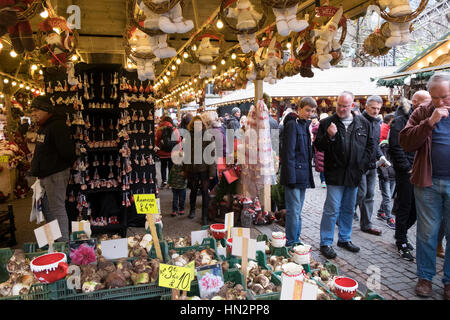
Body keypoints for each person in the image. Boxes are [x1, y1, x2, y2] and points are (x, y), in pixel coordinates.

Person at [399, 73, 450, 299]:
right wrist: (430, 123)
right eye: (435, 97)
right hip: (427, 182)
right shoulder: (422, 112)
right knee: (426, 233)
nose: (440, 102)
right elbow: (406, 141)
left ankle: (448, 281)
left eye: (445, 97)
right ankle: (425, 278)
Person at [314, 91, 373, 259]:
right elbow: (318, 146)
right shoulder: (327, 123)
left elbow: (370, 146)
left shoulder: (363, 123)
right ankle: (326, 242)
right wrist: (329, 136)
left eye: (345, 106)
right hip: (335, 174)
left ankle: (344, 239)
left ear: (352, 105)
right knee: (331, 209)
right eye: (339, 105)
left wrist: (362, 167)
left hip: (354, 174)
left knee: (348, 208)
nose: (341, 109)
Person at [389, 94, 430, 261]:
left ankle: (401, 233)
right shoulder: (400, 120)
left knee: (416, 208)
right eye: (427, 102)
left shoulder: (427, 118)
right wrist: (407, 168)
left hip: (422, 169)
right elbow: (395, 147)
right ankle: (401, 240)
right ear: (415, 103)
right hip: (407, 171)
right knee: (405, 206)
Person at [30, 96, 76, 242]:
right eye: (32, 111)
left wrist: (57, 167)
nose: (34, 114)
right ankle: (54, 241)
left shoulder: (57, 126)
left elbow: (68, 151)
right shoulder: (45, 126)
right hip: (45, 176)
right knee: (48, 210)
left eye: (36, 110)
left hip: (55, 175)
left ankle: (63, 245)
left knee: (57, 209)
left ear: (46, 109)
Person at [280, 97, 316, 246]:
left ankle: (296, 239)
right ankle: (291, 241)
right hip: (294, 175)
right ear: (299, 108)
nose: (309, 114)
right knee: (294, 211)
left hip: (302, 174)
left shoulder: (303, 125)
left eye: (312, 111)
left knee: (298, 211)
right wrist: (291, 178)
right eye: (307, 110)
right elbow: (288, 154)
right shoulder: (292, 125)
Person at [355, 95, 385, 236]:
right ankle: (344, 217)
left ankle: (366, 224)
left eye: (378, 108)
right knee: (360, 194)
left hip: (372, 165)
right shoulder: (359, 121)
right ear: (366, 106)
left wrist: (381, 156)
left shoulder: (377, 122)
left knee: (370, 195)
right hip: (361, 165)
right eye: (373, 108)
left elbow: (375, 144)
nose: (376, 111)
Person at [183, 115, 217, 225]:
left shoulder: (208, 136)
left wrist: (212, 172)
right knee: (193, 190)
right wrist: (184, 168)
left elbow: (212, 154)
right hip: (192, 169)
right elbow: (186, 154)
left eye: (199, 124)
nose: (197, 126)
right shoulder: (189, 136)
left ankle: (204, 216)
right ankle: (192, 210)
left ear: (202, 125)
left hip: (204, 169)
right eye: (195, 124)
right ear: (192, 125)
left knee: (204, 192)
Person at [376, 138, 396, 229]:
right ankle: (389, 218)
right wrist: (385, 175)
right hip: (386, 178)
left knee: (388, 197)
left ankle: (381, 212)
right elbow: (382, 162)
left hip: (394, 177)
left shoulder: (398, 147)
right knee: (387, 197)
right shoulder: (384, 147)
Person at [155, 115, 181, 187]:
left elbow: (156, 141)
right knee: (171, 167)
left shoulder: (159, 129)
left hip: (162, 152)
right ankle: (171, 182)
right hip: (172, 152)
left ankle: (164, 181)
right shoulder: (175, 129)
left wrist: (157, 150)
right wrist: (180, 151)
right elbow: (179, 141)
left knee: (163, 166)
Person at [310, 115, 326, 188]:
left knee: (324, 166)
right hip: (321, 149)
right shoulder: (318, 128)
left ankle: (324, 180)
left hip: (321, 149)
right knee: (322, 166)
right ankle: (323, 180)